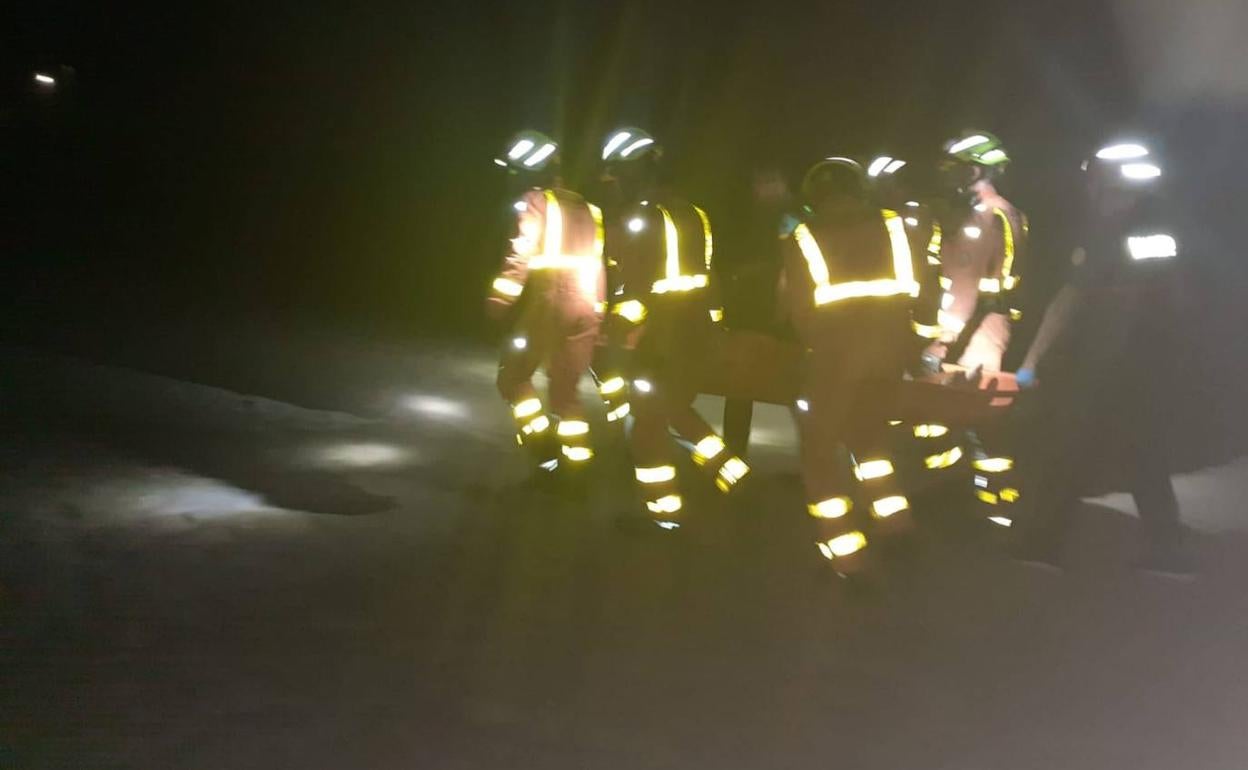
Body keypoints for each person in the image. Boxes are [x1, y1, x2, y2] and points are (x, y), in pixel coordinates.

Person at [1012, 139, 1188, 575]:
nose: (1088, 187)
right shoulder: (1158, 226)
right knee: (1140, 453)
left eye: (1093, 178)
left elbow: (1074, 298)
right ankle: (1168, 550)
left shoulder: (1112, 232)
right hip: (1145, 360)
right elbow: (1172, 293)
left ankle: (1042, 544)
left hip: (1109, 361)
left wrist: (1032, 362)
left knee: (1072, 449)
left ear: (1107, 181)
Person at [599, 126, 747, 529]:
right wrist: (716, 329)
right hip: (696, 333)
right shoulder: (695, 214)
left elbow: (636, 289)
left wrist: (614, 328)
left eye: (618, 175)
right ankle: (731, 473)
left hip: (660, 340)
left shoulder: (639, 218)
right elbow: (708, 278)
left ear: (633, 173)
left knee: (647, 427)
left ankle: (663, 517)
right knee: (674, 410)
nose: (614, 185)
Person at [779, 157, 917, 576]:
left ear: (815, 197)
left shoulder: (804, 237)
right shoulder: (894, 227)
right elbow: (921, 291)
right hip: (890, 357)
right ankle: (896, 527)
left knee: (819, 455)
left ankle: (847, 556)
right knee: (871, 444)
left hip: (835, 360)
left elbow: (795, 310)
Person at [487, 131, 605, 476]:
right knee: (566, 392)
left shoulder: (535, 202)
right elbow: (599, 264)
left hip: (550, 302)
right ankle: (576, 470)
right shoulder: (590, 209)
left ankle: (543, 450)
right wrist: (599, 315)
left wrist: (500, 297)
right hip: (586, 308)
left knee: (512, 377)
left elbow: (521, 252)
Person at [928, 132, 1028, 509]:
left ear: (974, 170)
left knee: (976, 414)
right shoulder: (976, 214)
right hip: (966, 332)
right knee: (951, 412)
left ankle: (995, 498)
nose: (947, 176)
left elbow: (982, 288)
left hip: (979, 334)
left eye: (954, 169)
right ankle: (960, 492)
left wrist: (948, 342)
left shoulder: (994, 214)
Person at [867, 155, 967, 475]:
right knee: (905, 391)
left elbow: (922, 272)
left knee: (923, 387)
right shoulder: (898, 217)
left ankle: (938, 461)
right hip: (902, 320)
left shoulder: (910, 217)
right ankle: (917, 458)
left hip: (917, 318)